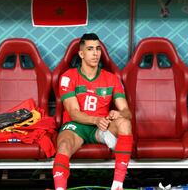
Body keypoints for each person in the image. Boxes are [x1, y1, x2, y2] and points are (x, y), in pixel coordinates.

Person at [53, 33, 133, 190]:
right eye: (90, 49)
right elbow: (74, 112)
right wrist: (96, 120)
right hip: (77, 126)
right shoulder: (68, 77)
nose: (95, 53)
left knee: (125, 123)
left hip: (102, 126)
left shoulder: (112, 78)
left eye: (98, 49)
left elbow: (126, 111)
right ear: (81, 54)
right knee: (63, 145)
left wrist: (119, 114)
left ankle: (117, 185)